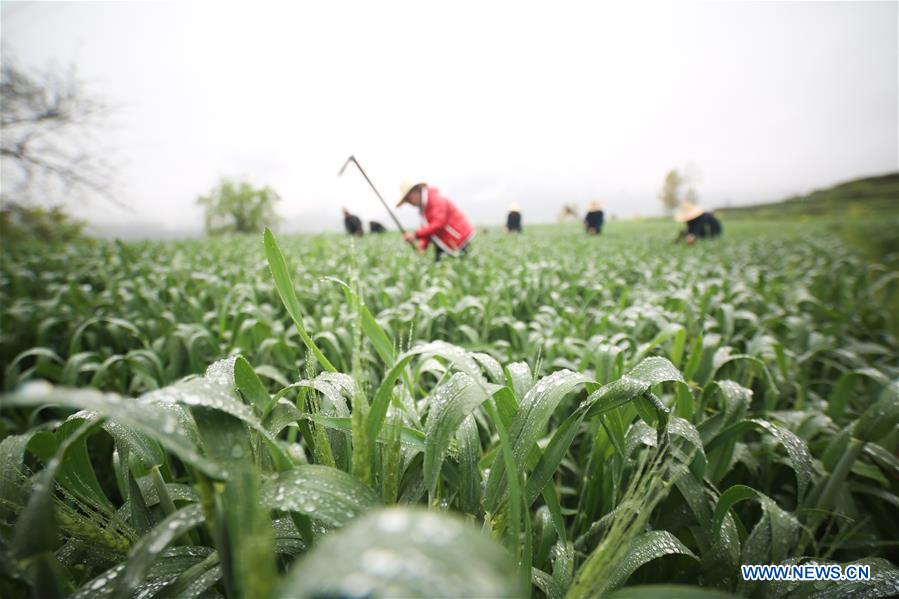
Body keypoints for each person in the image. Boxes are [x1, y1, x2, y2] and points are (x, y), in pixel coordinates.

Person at [397, 181, 474, 261]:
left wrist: (415, 234)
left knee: (463, 261)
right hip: (443, 239)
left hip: (457, 236)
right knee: (440, 265)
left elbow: (439, 223)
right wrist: (422, 247)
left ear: (416, 191)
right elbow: (427, 229)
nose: (410, 203)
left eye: (409, 199)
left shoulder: (435, 199)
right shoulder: (424, 208)